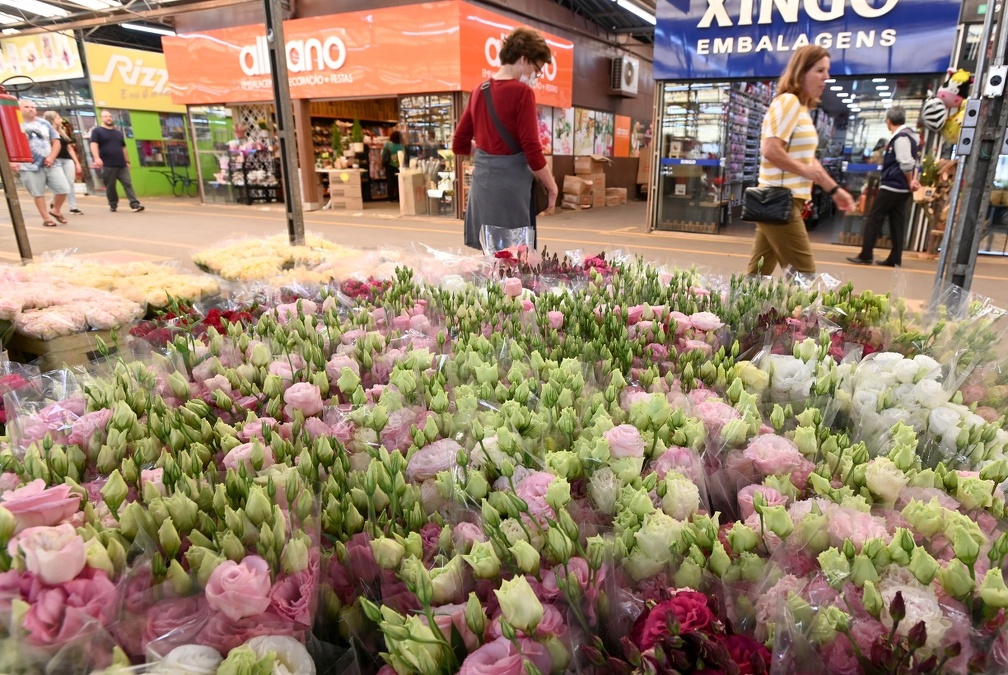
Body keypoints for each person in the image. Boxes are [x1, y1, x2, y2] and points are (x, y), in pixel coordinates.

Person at [744, 45, 855, 275]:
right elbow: (771, 149)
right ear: (801, 71)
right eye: (820, 70)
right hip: (779, 198)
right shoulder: (788, 102)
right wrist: (804, 171)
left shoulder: (801, 109)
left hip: (784, 199)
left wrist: (834, 190)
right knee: (804, 274)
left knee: (758, 273)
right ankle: (807, 312)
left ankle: (739, 310)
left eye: (827, 71)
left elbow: (808, 160)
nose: (826, 77)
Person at [452, 26, 559, 251]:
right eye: (536, 69)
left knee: (489, 258)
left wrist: (483, 149)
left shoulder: (479, 91)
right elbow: (531, 149)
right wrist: (552, 187)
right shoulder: (522, 93)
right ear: (523, 59)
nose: (534, 76)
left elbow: (459, 144)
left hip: (483, 187)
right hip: (511, 191)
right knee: (514, 261)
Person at [847, 106, 921, 267]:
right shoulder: (912, 136)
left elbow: (906, 162)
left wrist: (910, 180)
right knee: (897, 222)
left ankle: (866, 254)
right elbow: (915, 162)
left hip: (892, 186)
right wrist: (913, 181)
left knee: (874, 218)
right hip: (902, 189)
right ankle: (895, 258)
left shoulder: (901, 137)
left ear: (889, 120)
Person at [13, 100, 70, 227]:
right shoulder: (15, 124)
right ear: (19, 109)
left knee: (63, 188)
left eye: (33, 107)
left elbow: (56, 141)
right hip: (29, 165)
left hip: (50, 162)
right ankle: (46, 218)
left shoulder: (44, 123)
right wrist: (12, 161)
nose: (31, 109)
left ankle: (56, 210)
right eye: (27, 107)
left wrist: (51, 157)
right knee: (38, 193)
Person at [90, 109, 144, 213]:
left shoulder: (118, 133)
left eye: (110, 116)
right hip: (108, 164)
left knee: (127, 183)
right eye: (105, 116)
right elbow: (94, 144)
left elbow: (124, 148)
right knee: (111, 186)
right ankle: (113, 204)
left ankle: (134, 204)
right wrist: (97, 158)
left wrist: (127, 161)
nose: (108, 118)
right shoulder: (97, 131)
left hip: (121, 164)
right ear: (101, 118)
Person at [43, 111, 83, 215]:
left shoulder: (62, 132)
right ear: (52, 120)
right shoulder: (47, 132)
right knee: (59, 182)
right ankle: (54, 202)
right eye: (58, 118)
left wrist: (77, 163)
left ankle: (73, 207)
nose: (61, 120)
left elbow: (69, 148)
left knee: (70, 182)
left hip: (67, 159)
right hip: (55, 160)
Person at [382, 130, 405, 202]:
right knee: (398, 182)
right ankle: (399, 197)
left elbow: (383, 154)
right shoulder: (401, 146)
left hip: (389, 165)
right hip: (398, 165)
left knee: (390, 182)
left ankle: (390, 198)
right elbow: (404, 155)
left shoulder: (388, 145)